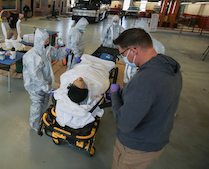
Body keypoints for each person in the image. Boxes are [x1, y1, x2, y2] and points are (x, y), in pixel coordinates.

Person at [110, 28, 182, 169]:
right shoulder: (170, 68)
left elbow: (124, 124)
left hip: (136, 147)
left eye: (123, 54)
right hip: (157, 137)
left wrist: (114, 95)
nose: (124, 59)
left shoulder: (145, 80)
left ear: (133, 51)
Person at [23, 28, 67, 132]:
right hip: (35, 86)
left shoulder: (47, 50)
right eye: (45, 41)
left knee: (45, 102)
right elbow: (36, 77)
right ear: (39, 41)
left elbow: (57, 54)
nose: (47, 43)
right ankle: (35, 125)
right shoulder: (31, 57)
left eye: (48, 40)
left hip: (47, 83)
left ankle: (41, 120)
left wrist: (66, 50)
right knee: (38, 104)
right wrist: (47, 88)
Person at [54, 54, 115, 129]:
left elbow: (65, 77)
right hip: (96, 71)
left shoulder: (69, 82)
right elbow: (102, 84)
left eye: (76, 80)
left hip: (82, 67)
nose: (79, 78)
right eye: (80, 80)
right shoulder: (95, 87)